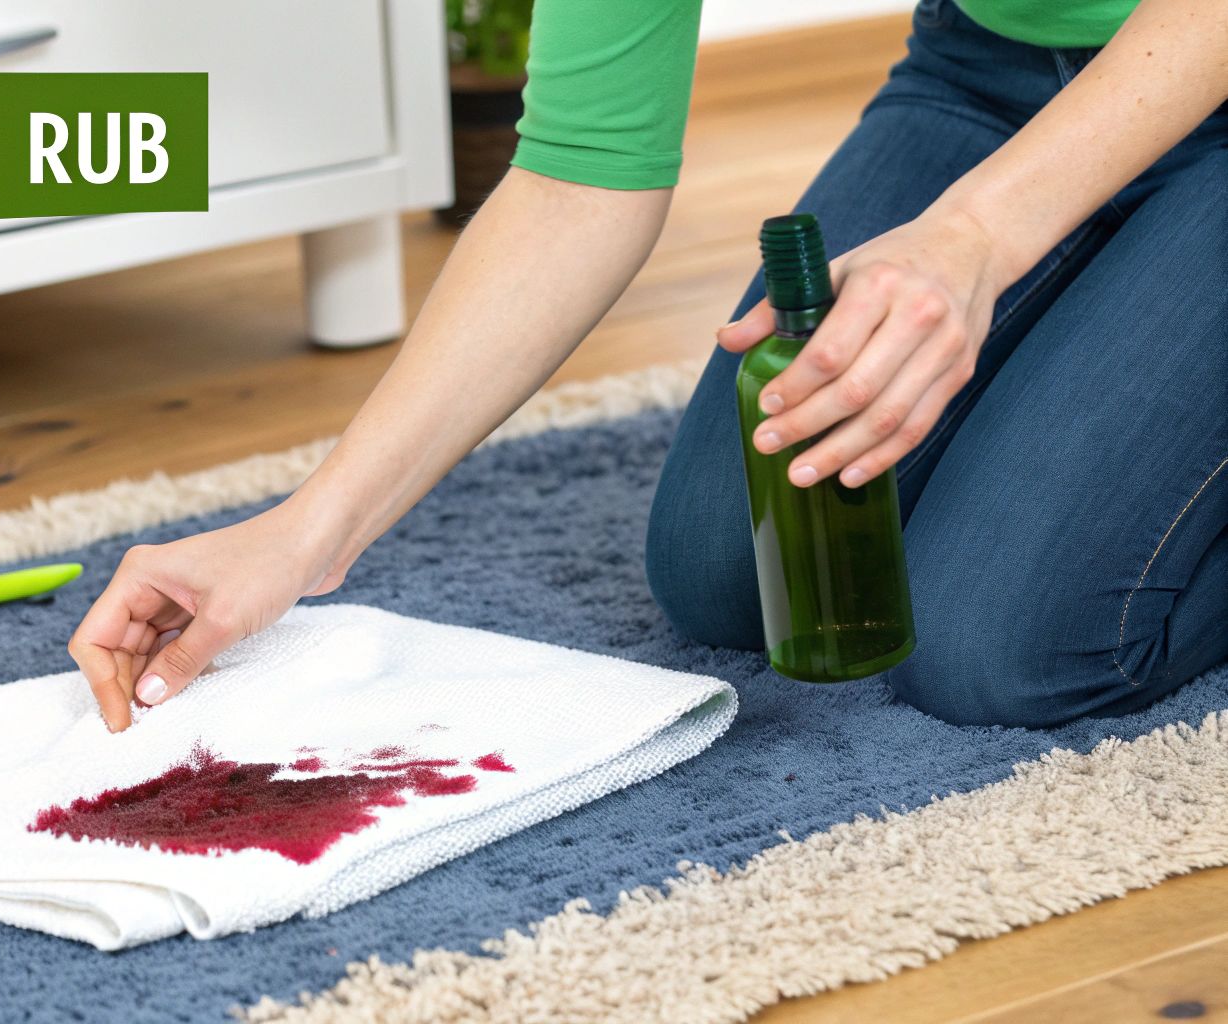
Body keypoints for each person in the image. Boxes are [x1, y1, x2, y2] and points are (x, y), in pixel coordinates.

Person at [69, 0, 1228, 732]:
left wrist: (978, 237)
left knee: (1002, 647)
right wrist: (307, 529)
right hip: (985, 70)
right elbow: (579, 178)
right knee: (733, 573)